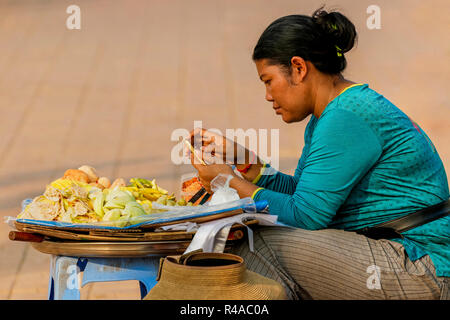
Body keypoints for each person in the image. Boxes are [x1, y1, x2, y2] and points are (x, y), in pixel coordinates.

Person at [187, 7, 449, 300]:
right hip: (402, 256)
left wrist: (228, 183)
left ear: (298, 68)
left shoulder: (345, 117)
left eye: (268, 80)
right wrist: (249, 164)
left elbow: (306, 215)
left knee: (255, 244)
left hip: (423, 267)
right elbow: (305, 195)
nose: (267, 96)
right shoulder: (330, 114)